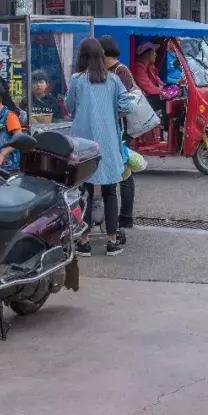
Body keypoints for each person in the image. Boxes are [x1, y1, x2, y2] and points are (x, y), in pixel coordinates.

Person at [67, 38, 132, 257]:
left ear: (82, 57)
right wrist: (111, 114)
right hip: (108, 143)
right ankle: (112, 241)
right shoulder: (113, 80)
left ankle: (84, 241)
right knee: (110, 192)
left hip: (83, 144)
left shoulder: (77, 80)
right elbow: (126, 104)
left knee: (84, 192)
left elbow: (68, 106)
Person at [99, 35, 137, 238]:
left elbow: (126, 104)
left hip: (121, 131)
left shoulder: (120, 72)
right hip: (114, 129)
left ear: (104, 53)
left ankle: (125, 217)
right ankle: (117, 217)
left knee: (125, 174)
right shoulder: (110, 72)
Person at [132, 41, 164, 112]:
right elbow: (150, 89)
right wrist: (164, 91)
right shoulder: (138, 68)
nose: (156, 55)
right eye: (154, 52)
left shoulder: (150, 67)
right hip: (141, 101)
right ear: (147, 54)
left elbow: (159, 82)